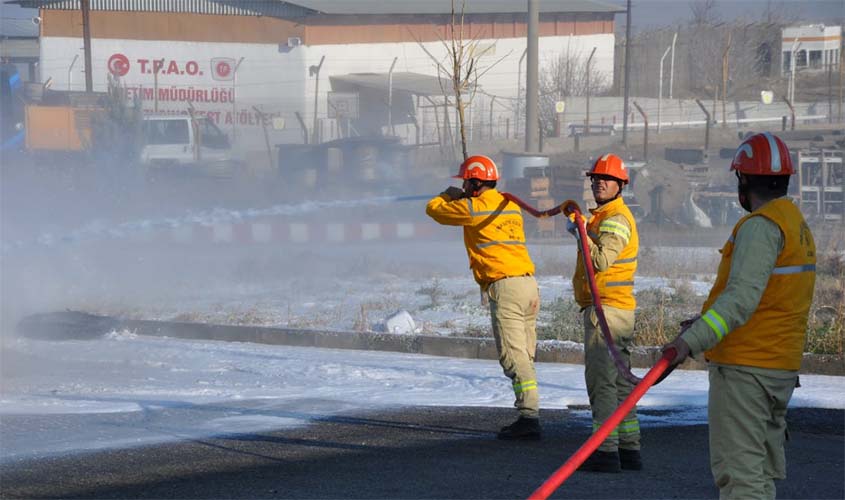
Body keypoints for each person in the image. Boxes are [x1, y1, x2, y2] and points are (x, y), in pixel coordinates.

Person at [663, 132, 816, 499]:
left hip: (747, 372)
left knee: (741, 479)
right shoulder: (794, 223)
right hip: (776, 367)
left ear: (744, 179)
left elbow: (740, 300)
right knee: (758, 476)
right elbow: (769, 299)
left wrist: (688, 343)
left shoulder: (760, 227)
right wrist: (702, 324)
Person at [426, 154, 542, 440]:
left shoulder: (476, 207)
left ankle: (529, 418)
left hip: (506, 288)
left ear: (476, 183)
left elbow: (434, 210)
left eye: (466, 182)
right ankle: (529, 412)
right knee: (525, 354)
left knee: (513, 357)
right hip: (529, 285)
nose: (463, 186)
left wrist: (448, 195)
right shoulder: (509, 205)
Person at [569, 153, 642, 473]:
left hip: (607, 312)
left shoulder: (615, 219)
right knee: (622, 383)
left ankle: (605, 450)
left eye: (607, 179)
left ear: (620, 185)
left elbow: (599, 261)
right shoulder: (606, 216)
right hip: (616, 309)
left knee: (602, 383)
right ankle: (629, 448)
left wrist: (581, 233)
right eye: (596, 178)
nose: (599, 182)